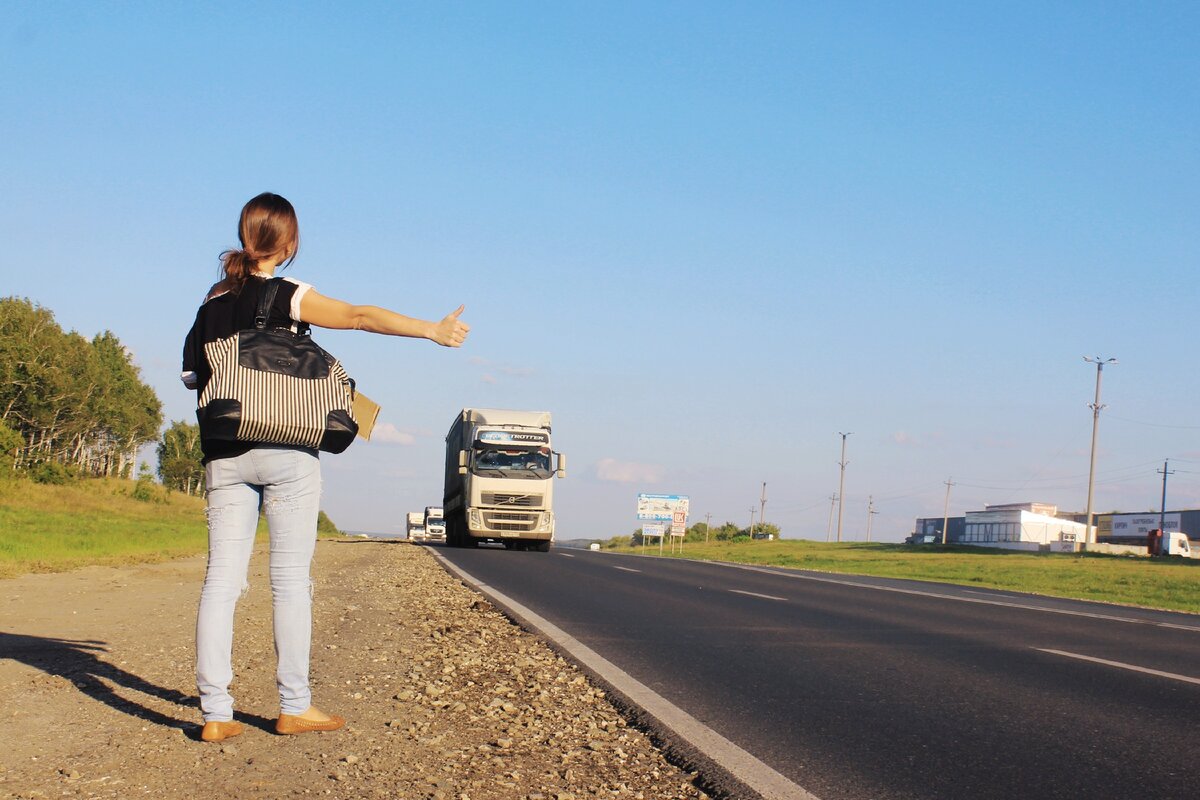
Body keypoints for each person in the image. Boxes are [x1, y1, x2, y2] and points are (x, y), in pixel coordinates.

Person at [181, 192, 469, 743]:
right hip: (288, 452)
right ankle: (294, 706)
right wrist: (431, 330)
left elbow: (194, 377)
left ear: (244, 237)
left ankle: (216, 713)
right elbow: (359, 317)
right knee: (289, 582)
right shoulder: (290, 295)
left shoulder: (211, 304)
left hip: (225, 451)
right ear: (288, 244)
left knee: (221, 582)